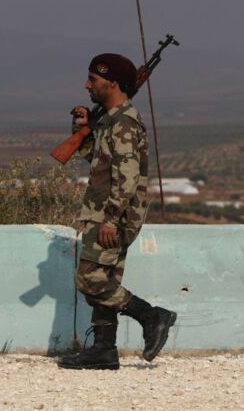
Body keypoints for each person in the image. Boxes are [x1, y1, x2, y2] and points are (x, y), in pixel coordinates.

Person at [56, 53, 177, 370]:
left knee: (91, 282)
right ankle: (103, 350)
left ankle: (152, 316)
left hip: (112, 216)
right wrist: (81, 129)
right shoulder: (111, 123)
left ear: (112, 83)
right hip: (107, 213)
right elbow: (99, 161)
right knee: (104, 278)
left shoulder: (123, 125)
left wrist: (110, 219)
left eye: (93, 80)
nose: (87, 85)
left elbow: (127, 178)